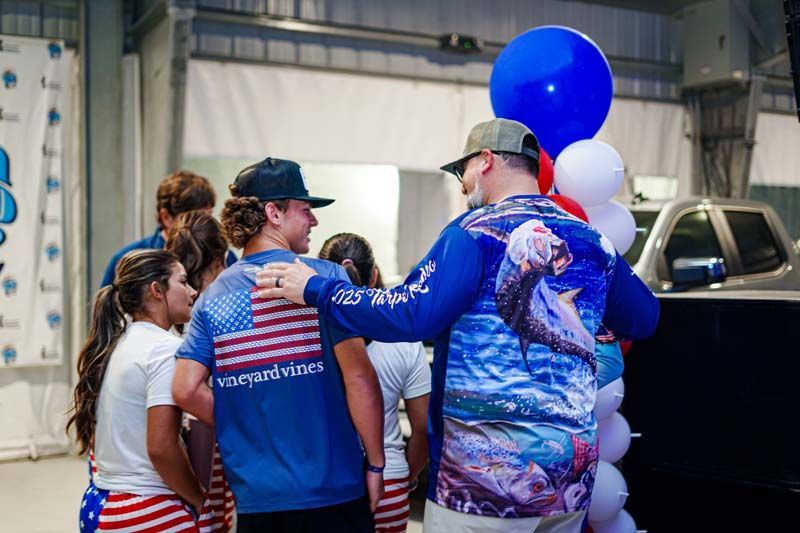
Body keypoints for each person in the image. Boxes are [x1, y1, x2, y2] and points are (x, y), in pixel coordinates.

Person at [256, 119, 660, 533]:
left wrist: (317, 290)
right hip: (570, 486)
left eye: (461, 171)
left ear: (485, 161)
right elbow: (644, 317)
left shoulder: (473, 232)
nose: (462, 185)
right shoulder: (592, 240)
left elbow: (411, 312)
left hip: (480, 489)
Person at [171, 157, 386, 533]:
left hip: (257, 499)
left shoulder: (212, 296)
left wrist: (241, 420)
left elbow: (185, 389)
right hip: (333, 491)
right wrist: (376, 464)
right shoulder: (325, 278)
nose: (314, 221)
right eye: (305, 210)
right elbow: (360, 380)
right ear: (273, 212)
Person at [67, 249, 215, 532]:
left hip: (100, 503)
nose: (193, 292)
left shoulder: (117, 344)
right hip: (145, 508)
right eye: (183, 282)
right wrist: (198, 498)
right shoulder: (164, 349)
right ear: (157, 290)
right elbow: (160, 447)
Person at [319, 233, 431, 533]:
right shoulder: (405, 340)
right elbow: (422, 427)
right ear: (374, 277)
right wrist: (408, 474)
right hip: (389, 481)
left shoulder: (310, 341)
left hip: (326, 480)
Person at [165, 211, 236, 532]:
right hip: (210, 432)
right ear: (222, 259)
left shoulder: (164, 308)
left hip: (167, 439)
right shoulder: (220, 307)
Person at [100, 170, 236, 287]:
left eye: (209, 217)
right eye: (193, 218)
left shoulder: (225, 257)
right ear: (166, 217)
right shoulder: (129, 261)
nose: (205, 227)